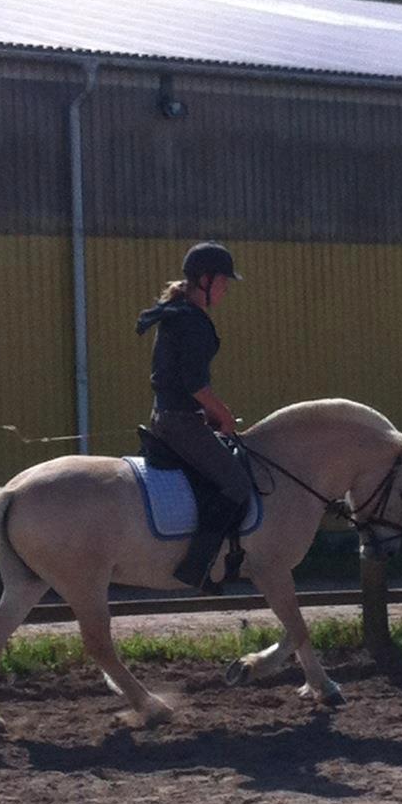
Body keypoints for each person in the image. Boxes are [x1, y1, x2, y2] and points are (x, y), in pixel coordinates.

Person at [136, 241, 252, 588]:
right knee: (236, 482)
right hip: (179, 421)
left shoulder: (178, 312)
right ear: (205, 280)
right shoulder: (192, 321)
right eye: (223, 281)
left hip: (171, 416)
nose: (226, 288)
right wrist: (223, 414)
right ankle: (197, 567)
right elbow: (196, 386)